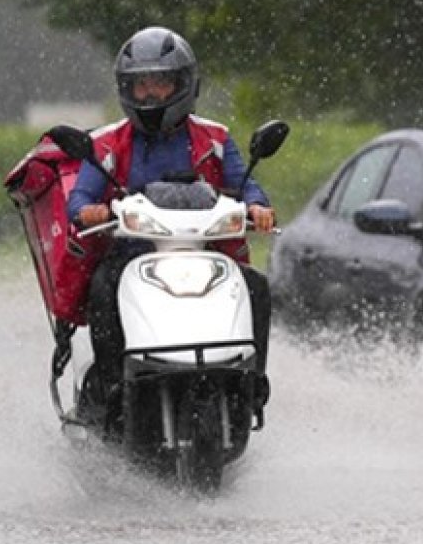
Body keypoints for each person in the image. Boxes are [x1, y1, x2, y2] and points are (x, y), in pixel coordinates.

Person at [65, 26, 275, 407]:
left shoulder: (215, 138)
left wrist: (257, 207)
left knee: (255, 286)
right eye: (141, 85)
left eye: (160, 83)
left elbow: (245, 185)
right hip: (132, 255)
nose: (150, 94)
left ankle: (250, 385)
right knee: (102, 286)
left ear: (183, 84)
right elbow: (79, 197)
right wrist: (87, 210)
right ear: (126, 89)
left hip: (205, 252)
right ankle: (113, 388)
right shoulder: (107, 143)